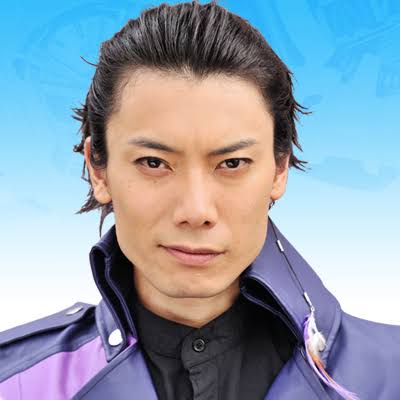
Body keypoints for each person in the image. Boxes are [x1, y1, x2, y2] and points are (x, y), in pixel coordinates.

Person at [1, 1, 399, 399]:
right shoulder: (15, 383)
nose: (195, 211)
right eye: (153, 163)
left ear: (279, 169)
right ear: (98, 169)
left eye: (232, 163)